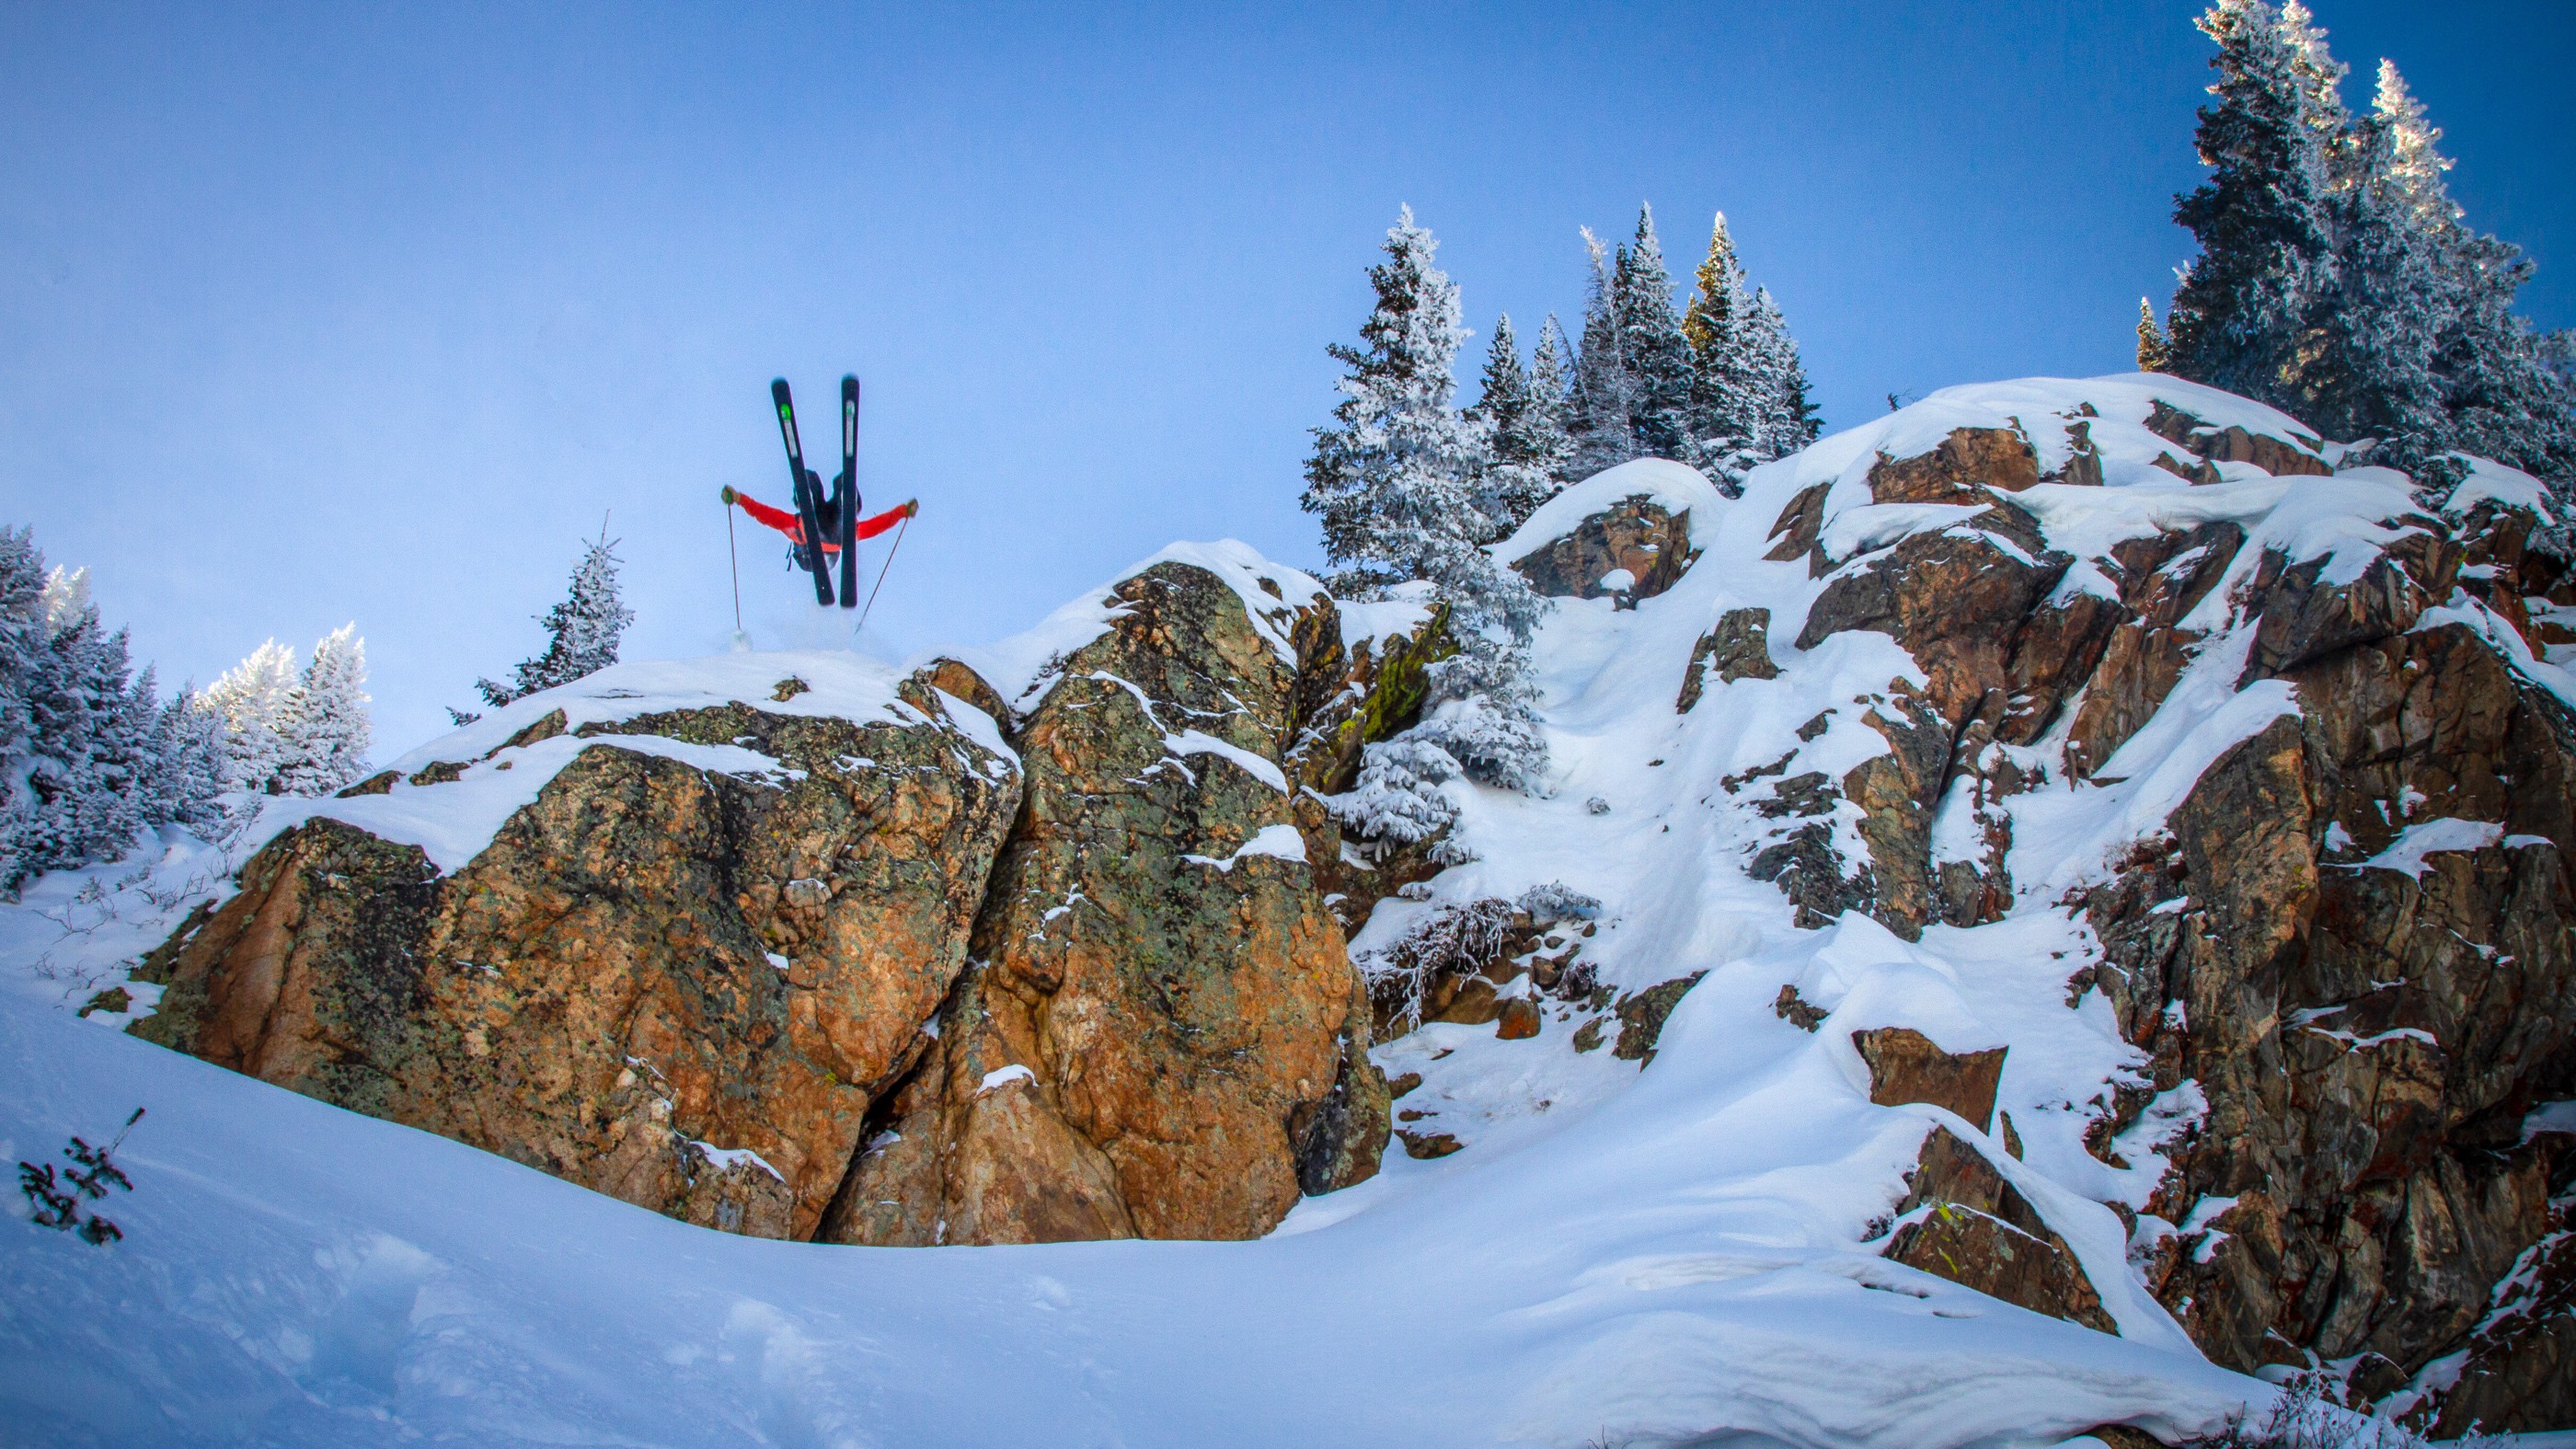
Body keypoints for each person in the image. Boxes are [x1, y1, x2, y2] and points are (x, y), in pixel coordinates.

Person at [722, 482, 914, 568]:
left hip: (824, 541)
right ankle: (841, 494)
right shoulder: (798, 529)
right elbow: (879, 525)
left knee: (812, 481)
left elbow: (764, 514)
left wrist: (739, 499)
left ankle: (820, 492)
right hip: (822, 548)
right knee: (831, 485)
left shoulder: (795, 527)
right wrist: (902, 511)